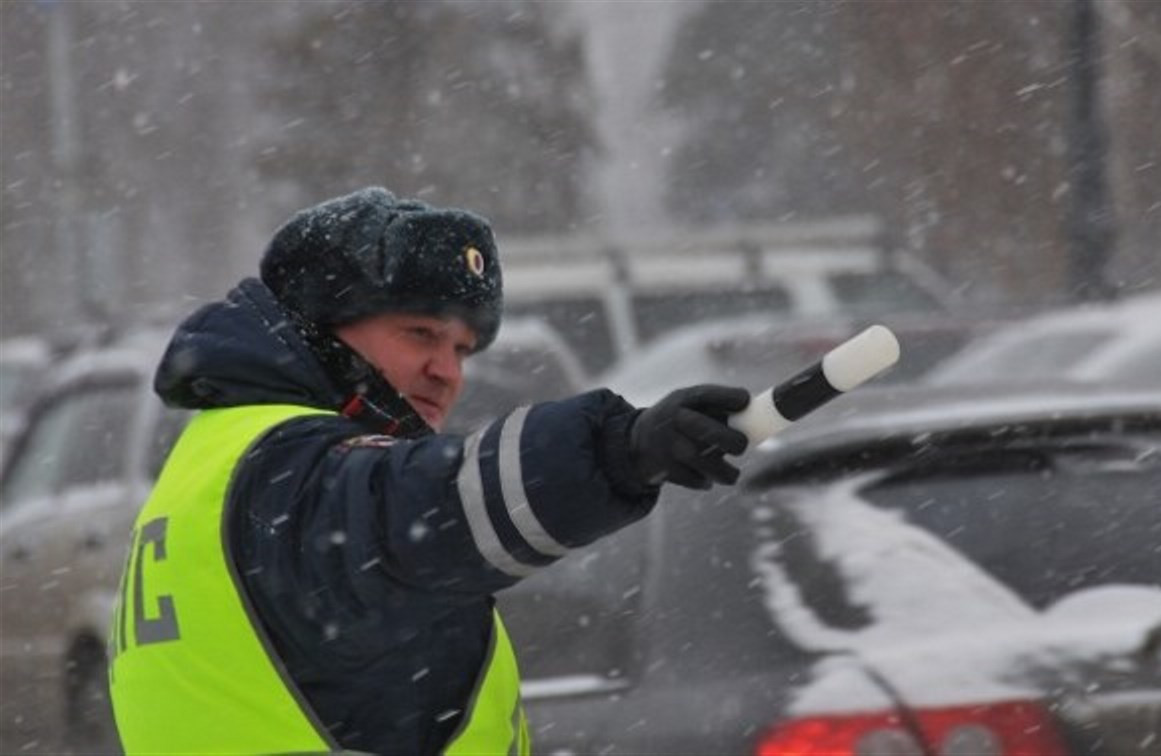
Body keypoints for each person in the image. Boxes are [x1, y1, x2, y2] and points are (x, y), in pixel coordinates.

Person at [107, 187, 750, 755]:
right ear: (319, 331)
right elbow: (423, 506)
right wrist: (618, 449)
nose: (448, 371)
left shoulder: (220, 460)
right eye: (420, 333)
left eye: (462, 349)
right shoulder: (291, 471)